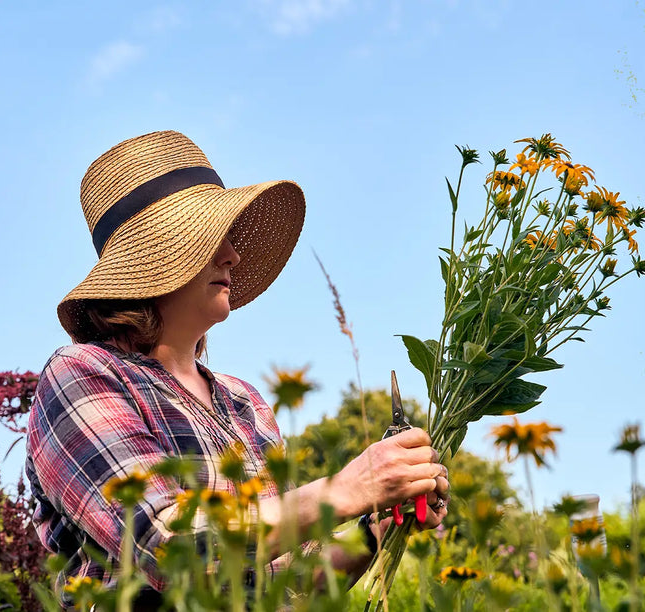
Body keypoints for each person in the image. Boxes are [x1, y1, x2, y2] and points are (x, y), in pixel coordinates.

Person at [24, 131, 444, 607]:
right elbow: (168, 548)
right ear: (154, 258)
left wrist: (375, 525)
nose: (233, 255)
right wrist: (344, 489)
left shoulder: (244, 402)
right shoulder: (85, 374)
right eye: (211, 239)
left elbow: (288, 579)